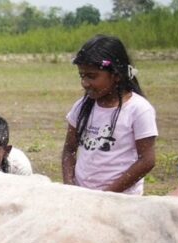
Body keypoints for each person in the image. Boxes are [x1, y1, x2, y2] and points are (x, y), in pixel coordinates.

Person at [61, 34, 158, 195]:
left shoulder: (139, 109)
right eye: (82, 75)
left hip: (121, 200)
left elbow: (147, 161)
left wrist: (107, 195)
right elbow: (69, 150)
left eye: (91, 76)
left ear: (116, 75)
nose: (85, 83)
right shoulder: (82, 107)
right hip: (83, 198)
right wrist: (70, 188)